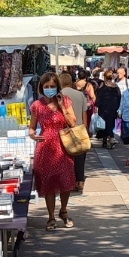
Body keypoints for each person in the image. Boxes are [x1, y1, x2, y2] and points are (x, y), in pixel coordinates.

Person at [28, 70, 78, 229]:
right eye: (47, 86)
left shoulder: (66, 101)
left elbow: (73, 122)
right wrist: (33, 136)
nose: (50, 88)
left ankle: (63, 210)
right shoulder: (37, 105)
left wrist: (62, 105)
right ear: (42, 87)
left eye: (52, 86)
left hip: (63, 145)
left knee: (66, 179)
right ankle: (50, 217)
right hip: (45, 147)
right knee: (48, 181)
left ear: (57, 86)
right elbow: (31, 128)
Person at [62, 76, 90, 194]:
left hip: (65, 130)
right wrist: (85, 129)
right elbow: (85, 115)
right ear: (72, 82)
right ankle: (80, 181)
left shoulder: (59, 95)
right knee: (80, 156)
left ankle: (70, 181)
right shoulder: (80, 95)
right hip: (79, 128)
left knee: (67, 157)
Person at [96, 75, 122, 150]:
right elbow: (119, 97)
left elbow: (99, 96)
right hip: (113, 107)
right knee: (110, 123)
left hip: (103, 107)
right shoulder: (116, 87)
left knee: (103, 124)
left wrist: (97, 105)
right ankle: (111, 139)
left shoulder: (102, 87)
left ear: (105, 78)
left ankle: (107, 140)